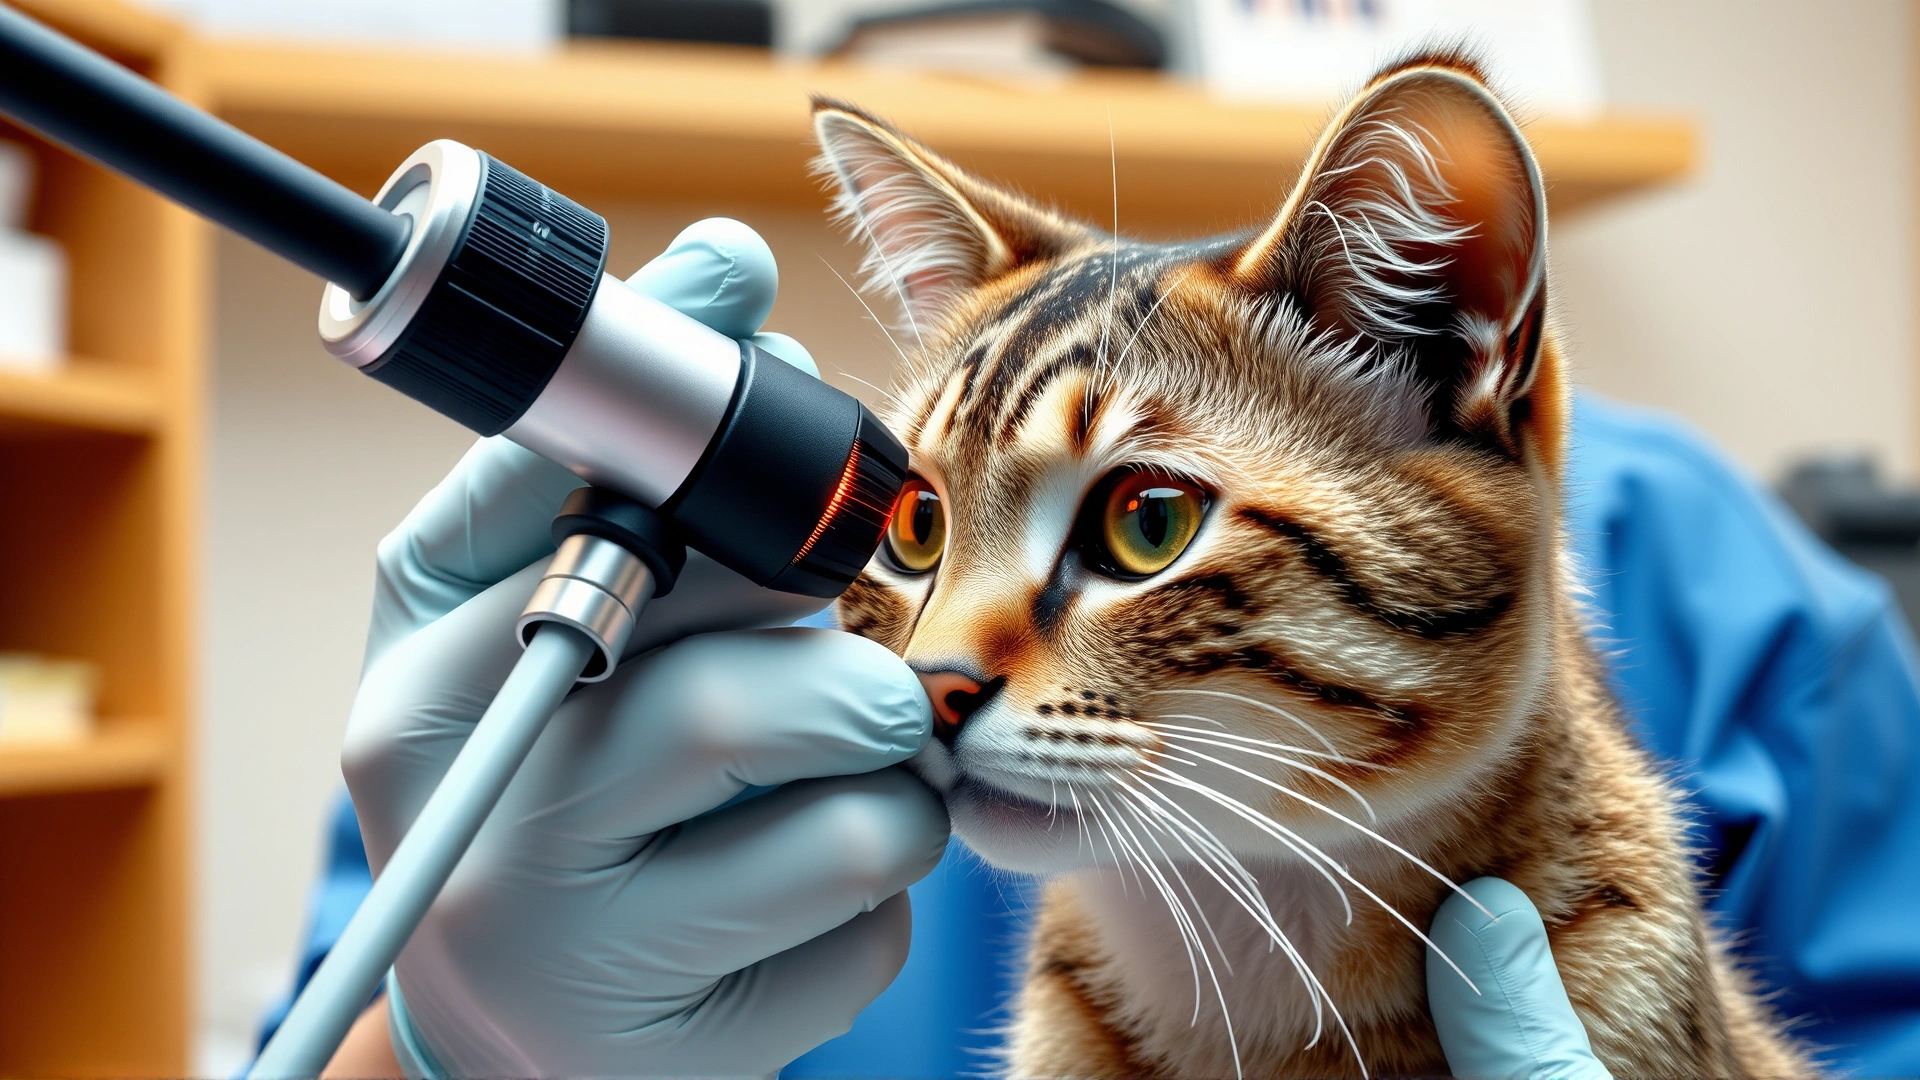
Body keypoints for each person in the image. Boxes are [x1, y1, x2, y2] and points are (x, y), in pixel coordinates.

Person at [261, 219, 1920, 1077]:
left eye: (1135, 528)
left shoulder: (1719, 592)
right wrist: (442, 1052)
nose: (948, 671)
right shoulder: (667, 645)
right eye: (923, 531)